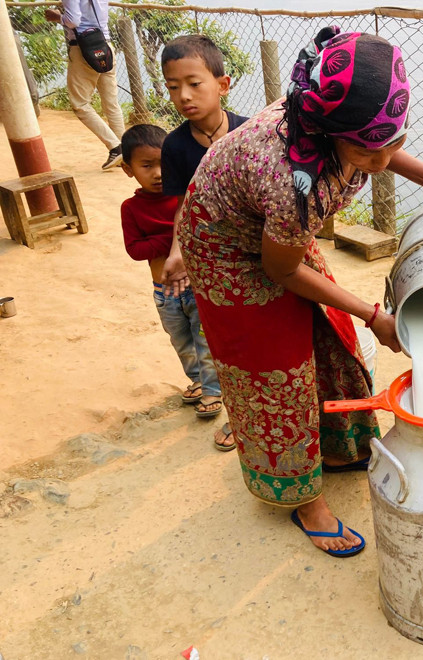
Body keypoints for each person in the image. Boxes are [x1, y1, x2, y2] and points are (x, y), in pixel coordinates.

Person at [173, 27, 423, 557]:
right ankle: (304, 500)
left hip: (277, 232)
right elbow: (280, 270)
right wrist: (375, 314)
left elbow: (380, 143)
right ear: (330, 133)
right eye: (367, 151)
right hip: (228, 254)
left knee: (325, 333)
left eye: (394, 139)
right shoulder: (288, 176)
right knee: (276, 375)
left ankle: (337, 446)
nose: (383, 159)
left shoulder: (327, 110)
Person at [160, 35, 249, 430]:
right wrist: (177, 251)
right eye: (173, 86)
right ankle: (234, 411)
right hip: (211, 258)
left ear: (223, 84)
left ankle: (248, 413)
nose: (184, 95)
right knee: (222, 338)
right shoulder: (175, 147)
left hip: (251, 251)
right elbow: (184, 206)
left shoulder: (249, 133)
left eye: (194, 84)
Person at [119, 124, 225, 433]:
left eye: (164, 163)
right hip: (164, 292)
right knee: (181, 342)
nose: (158, 173)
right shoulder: (132, 209)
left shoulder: (187, 199)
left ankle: (212, 390)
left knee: (204, 340)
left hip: (196, 287)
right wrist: (173, 237)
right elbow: (135, 250)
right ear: (128, 169)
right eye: (147, 165)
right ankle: (197, 379)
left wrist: (171, 238)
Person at [44, 0, 124, 170]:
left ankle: (116, 147)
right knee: (111, 104)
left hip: (84, 49)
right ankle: (126, 152)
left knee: (80, 104)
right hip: (105, 45)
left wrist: (58, 17)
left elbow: (74, 21)